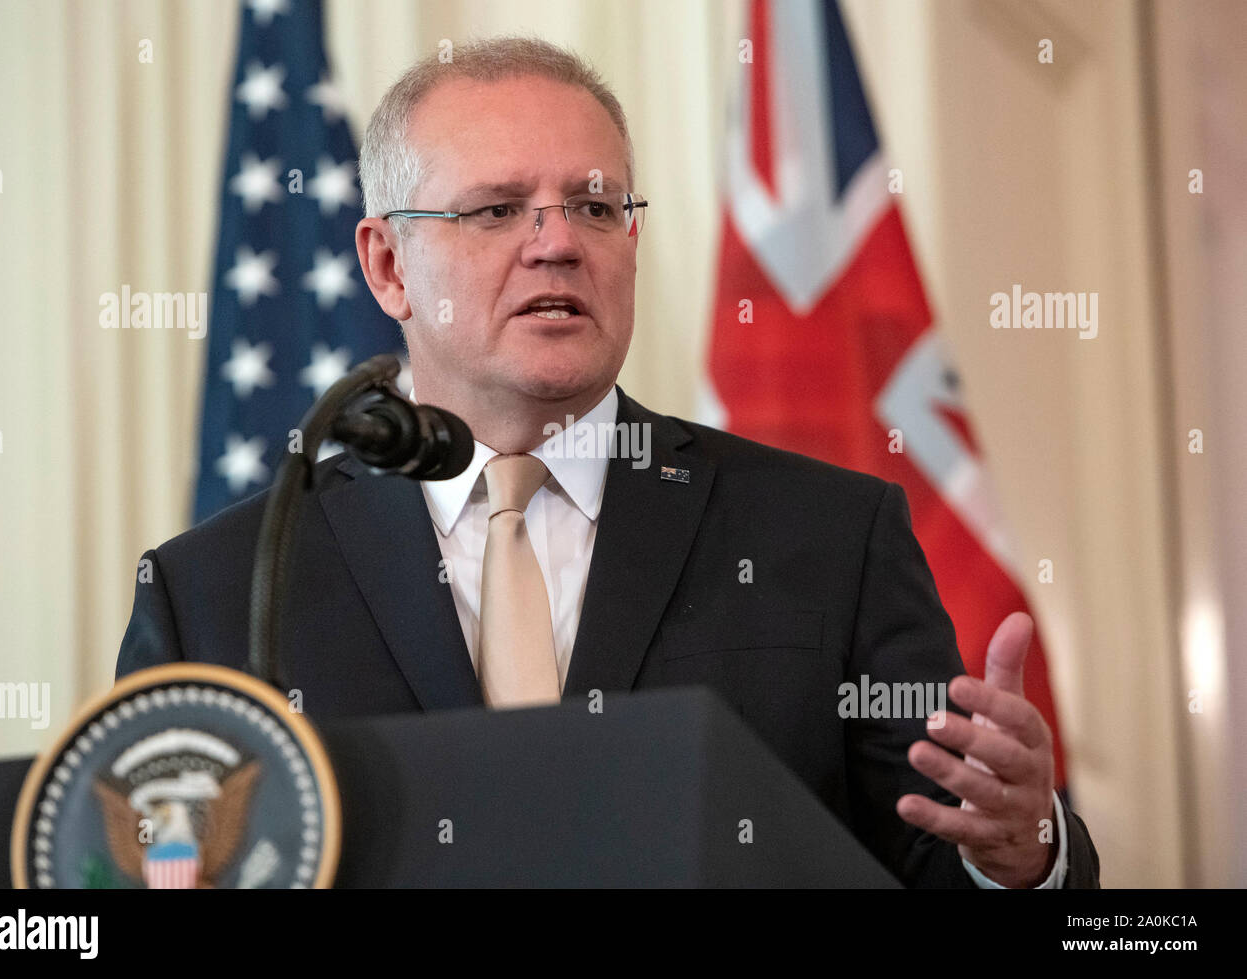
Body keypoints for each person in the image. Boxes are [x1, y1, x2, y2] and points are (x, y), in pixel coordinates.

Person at [118, 36, 1100, 888]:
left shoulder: (827, 537)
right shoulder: (213, 591)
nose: (557, 244)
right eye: (497, 210)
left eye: (594, 208)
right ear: (385, 266)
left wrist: (1019, 852)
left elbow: (936, 862)